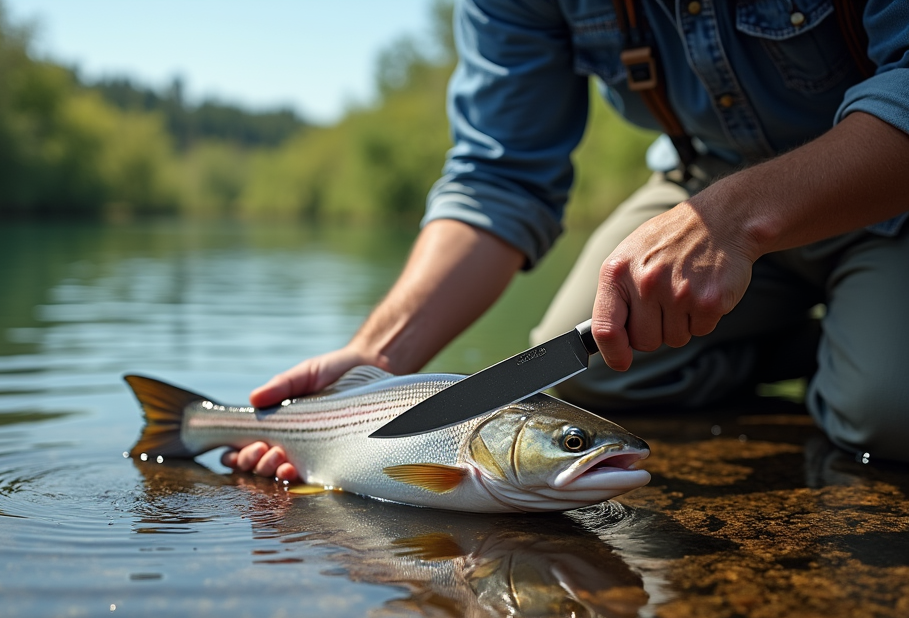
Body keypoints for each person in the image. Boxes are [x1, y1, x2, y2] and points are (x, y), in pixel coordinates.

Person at [226, 0, 909, 480]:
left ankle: (861, 362)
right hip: (704, 178)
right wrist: (373, 362)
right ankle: (823, 348)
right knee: (590, 379)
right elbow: (498, 177)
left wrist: (732, 220)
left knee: (886, 414)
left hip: (886, 180)